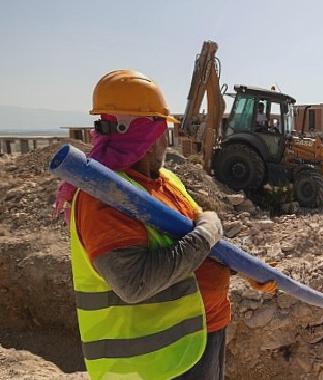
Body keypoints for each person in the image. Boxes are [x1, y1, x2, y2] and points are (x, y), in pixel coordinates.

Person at [55, 70, 276, 380]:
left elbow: (194, 234)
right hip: (154, 365)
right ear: (150, 136)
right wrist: (207, 232)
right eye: (163, 131)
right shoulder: (102, 198)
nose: (165, 142)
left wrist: (241, 268)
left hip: (199, 338)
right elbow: (136, 283)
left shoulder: (164, 181)